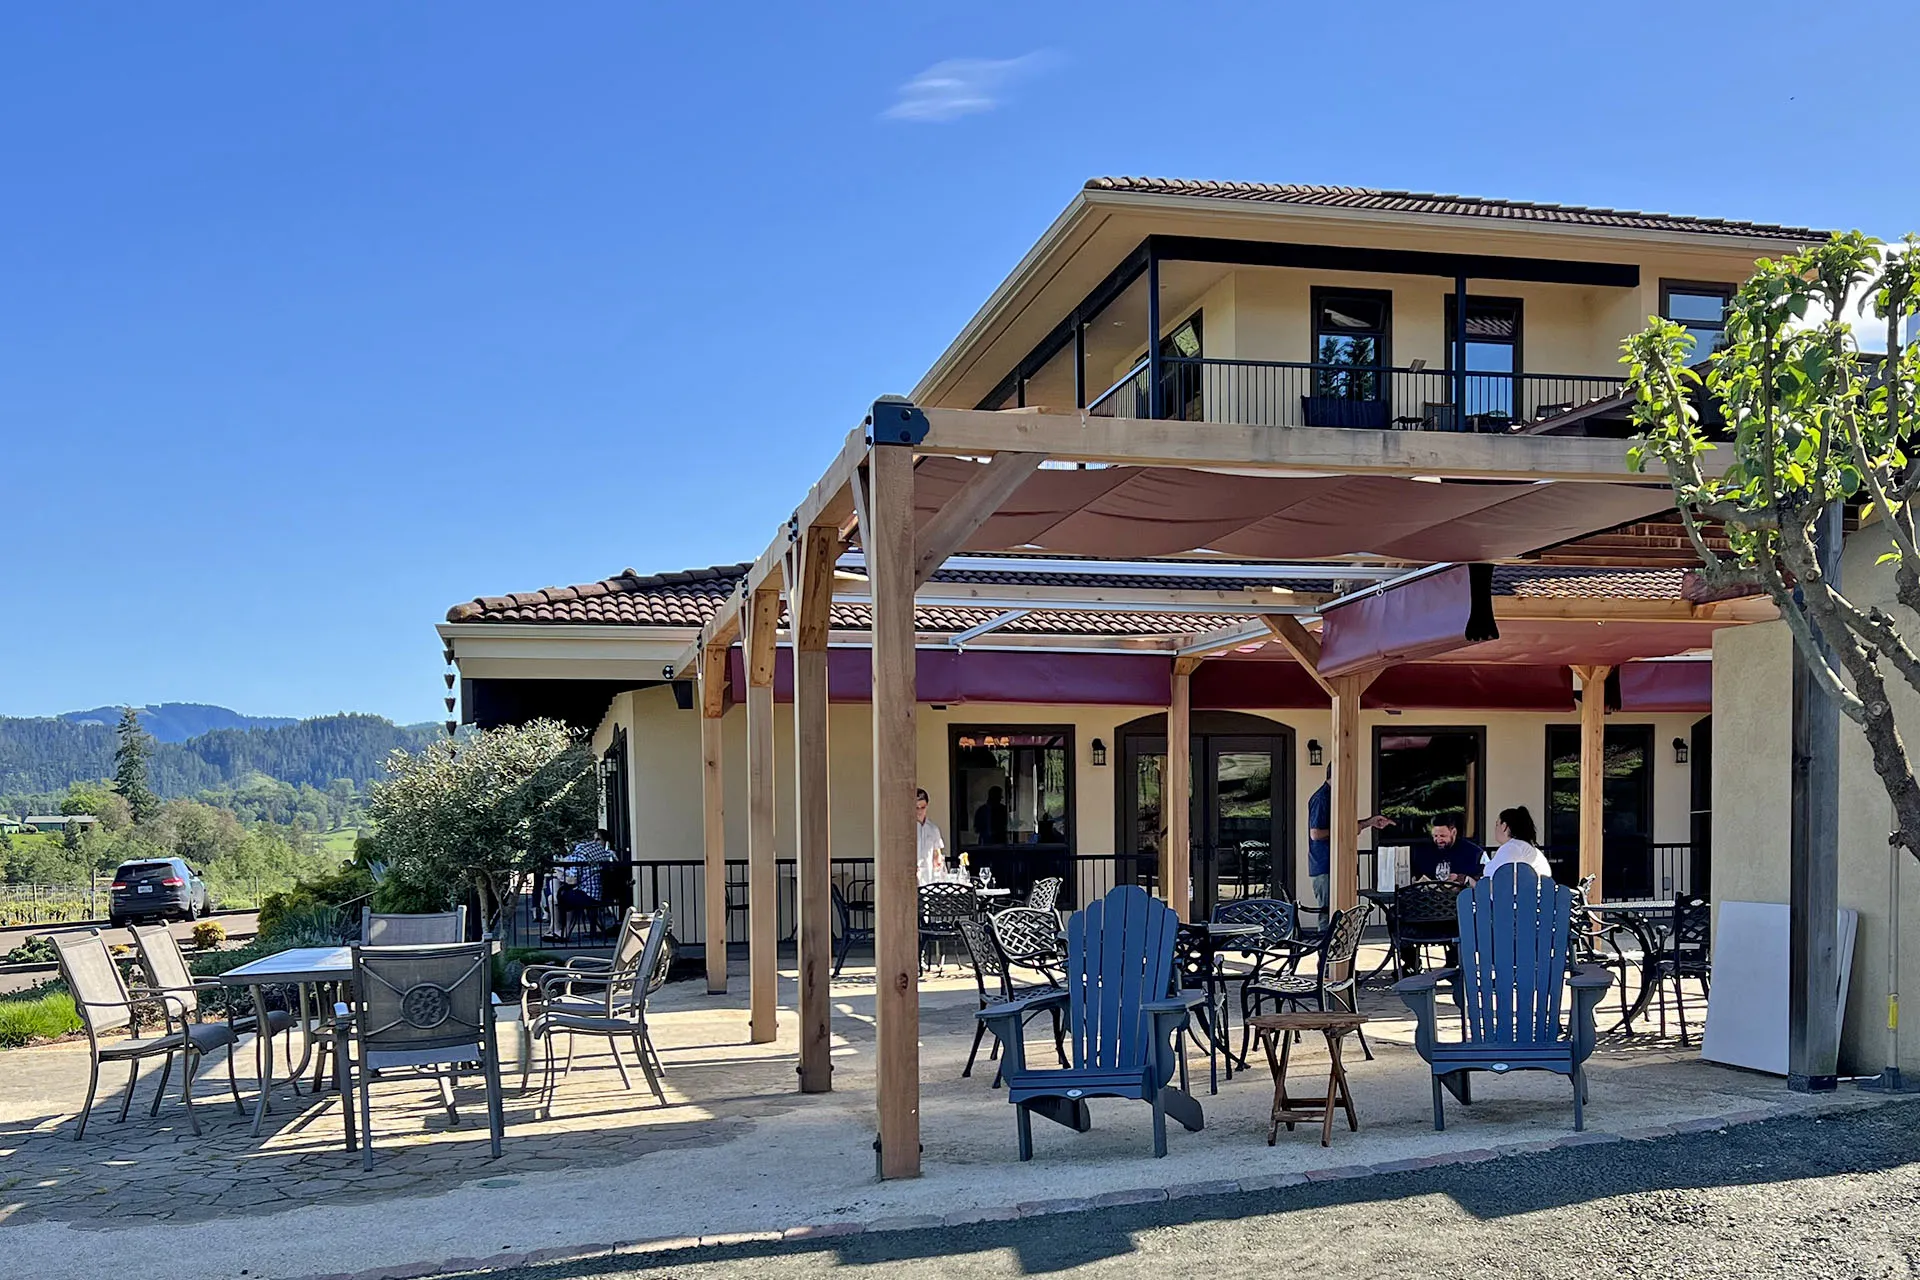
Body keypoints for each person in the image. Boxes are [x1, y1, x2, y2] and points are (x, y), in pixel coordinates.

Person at [1306, 766, 1392, 914]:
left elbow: (1344, 826)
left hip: (1335, 865)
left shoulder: (1333, 797)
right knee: (1328, 915)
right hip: (1324, 866)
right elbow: (1315, 834)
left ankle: (1337, 937)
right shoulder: (1322, 798)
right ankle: (1327, 938)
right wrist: (1346, 831)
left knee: (1340, 913)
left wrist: (1369, 822)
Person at [1411, 814, 1487, 883]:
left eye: (1442, 836)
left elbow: (1483, 881)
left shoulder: (1474, 852)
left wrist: (1461, 878)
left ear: (1454, 832)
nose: (1438, 840)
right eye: (1435, 836)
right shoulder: (1425, 852)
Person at [1484, 806, 1554, 879]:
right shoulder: (1529, 849)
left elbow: (1494, 877)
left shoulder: (1511, 848)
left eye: (1497, 825)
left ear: (1504, 826)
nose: (1495, 829)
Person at [915, 788, 948, 885]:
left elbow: (937, 854)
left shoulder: (933, 829)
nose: (920, 811)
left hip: (929, 877)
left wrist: (939, 868)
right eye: (917, 808)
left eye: (923, 807)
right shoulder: (906, 829)